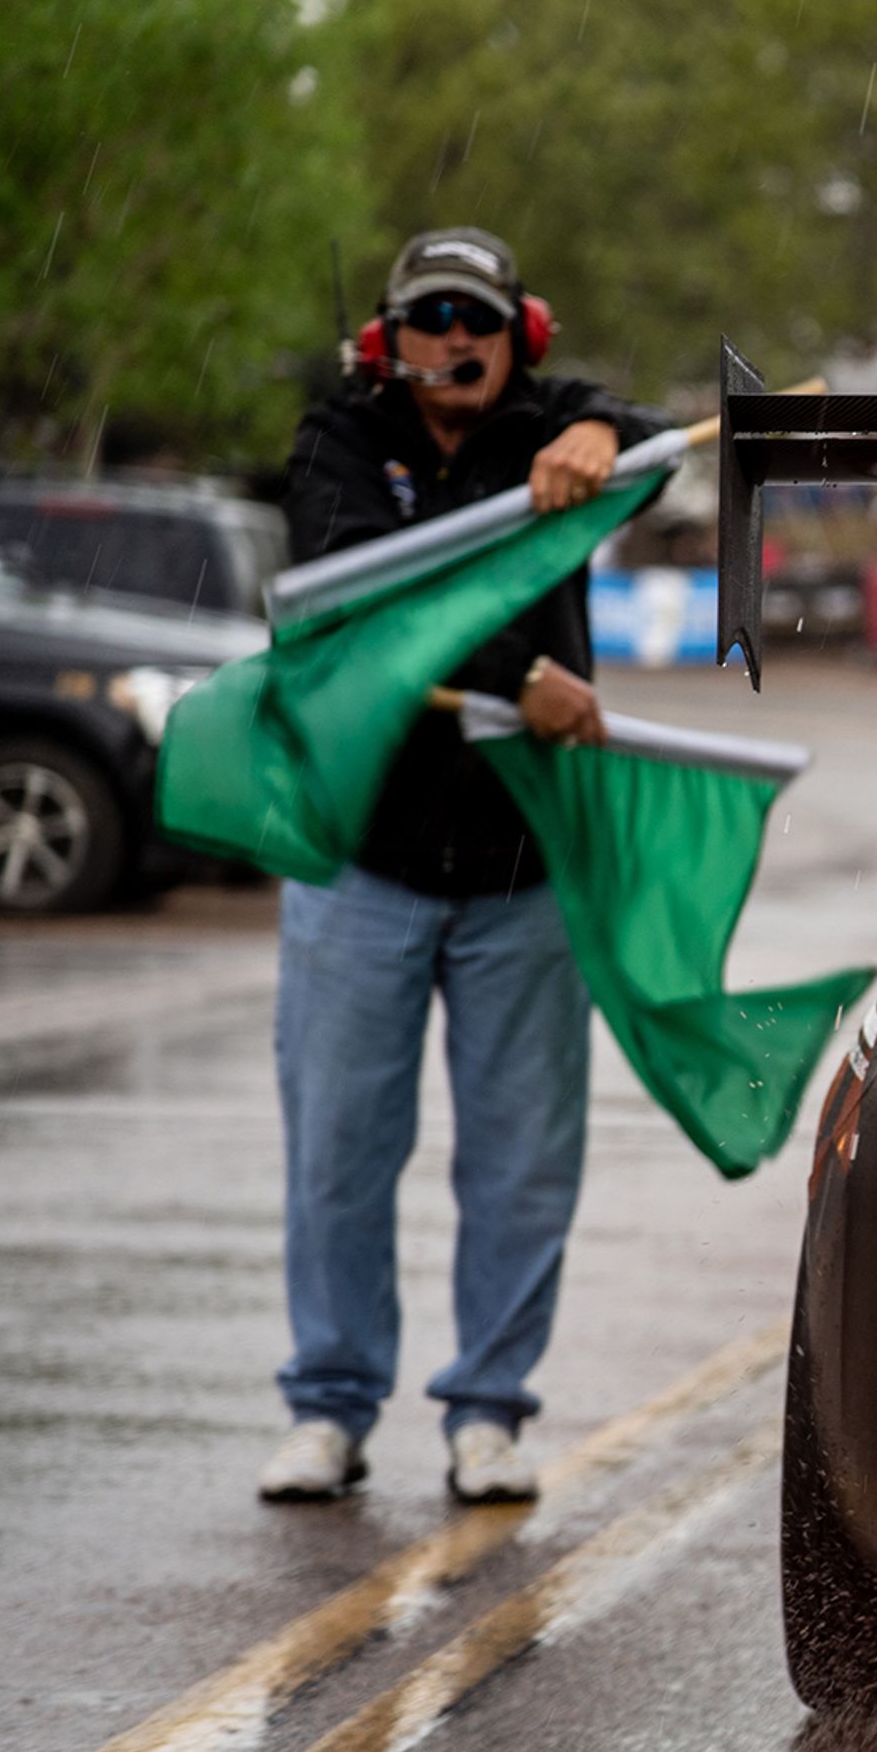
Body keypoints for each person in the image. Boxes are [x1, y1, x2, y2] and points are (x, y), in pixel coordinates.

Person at [256, 229, 669, 1504]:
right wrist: (513, 683)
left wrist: (605, 426)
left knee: (522, 1160)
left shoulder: (551, 421)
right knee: (337, 1150)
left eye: (478, 321)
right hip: (357, 860)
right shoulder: (335, 439)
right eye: (429, 318)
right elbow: (358, 605)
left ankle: (488, 1412)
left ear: (520, 335)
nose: (455, 341)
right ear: (388, 339)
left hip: (521, 873)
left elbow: (652, 450)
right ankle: (329, 1405)